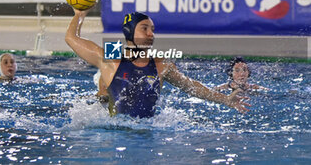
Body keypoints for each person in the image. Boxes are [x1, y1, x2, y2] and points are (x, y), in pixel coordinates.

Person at [65, 10, 250, 118]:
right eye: (144, 28)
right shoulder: (110, 57)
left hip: (148, 134)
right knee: (104, 88)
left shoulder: (161, 64)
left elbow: (191, 86)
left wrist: (225, 99)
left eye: (152, 30)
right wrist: (80, 14)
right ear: (129, 31)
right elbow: (71, 38)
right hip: (114, 134)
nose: (150, 34)